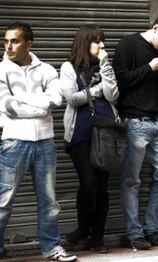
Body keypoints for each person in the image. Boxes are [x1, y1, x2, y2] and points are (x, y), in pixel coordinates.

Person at [0, 22, 77, 262]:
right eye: (6, 41)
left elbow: (55, 99)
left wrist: (22, 99)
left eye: (15, 41)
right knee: (3, 200)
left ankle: (51, 247)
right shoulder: (0, 70)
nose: (9, 46)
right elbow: (8, 108)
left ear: (29, 43)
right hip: (14, 142)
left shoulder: (46, 70)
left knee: (49, 201)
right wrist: (38, 103)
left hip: (45, 143)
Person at [112, 13, 158, 250]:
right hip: (134, 122)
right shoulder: (127, 45)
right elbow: (120, 82)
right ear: (155, 27)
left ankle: (152, 228)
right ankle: (134, 232)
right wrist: (149, 67)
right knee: (132, 181)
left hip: (157, 124)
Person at [60, 24, 119, 253]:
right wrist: (97, 91)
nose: (102, 45)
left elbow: (114, 94)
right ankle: (83, 228)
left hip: (105, 133)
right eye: (97, 41)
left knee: (102, 187)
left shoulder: (106, 66)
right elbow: (73, 99)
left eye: (103, 41)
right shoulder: (69, 67)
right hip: (80, 134)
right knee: (88, 183)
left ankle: (98, 237)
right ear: (85, 43)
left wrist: (105, 66)